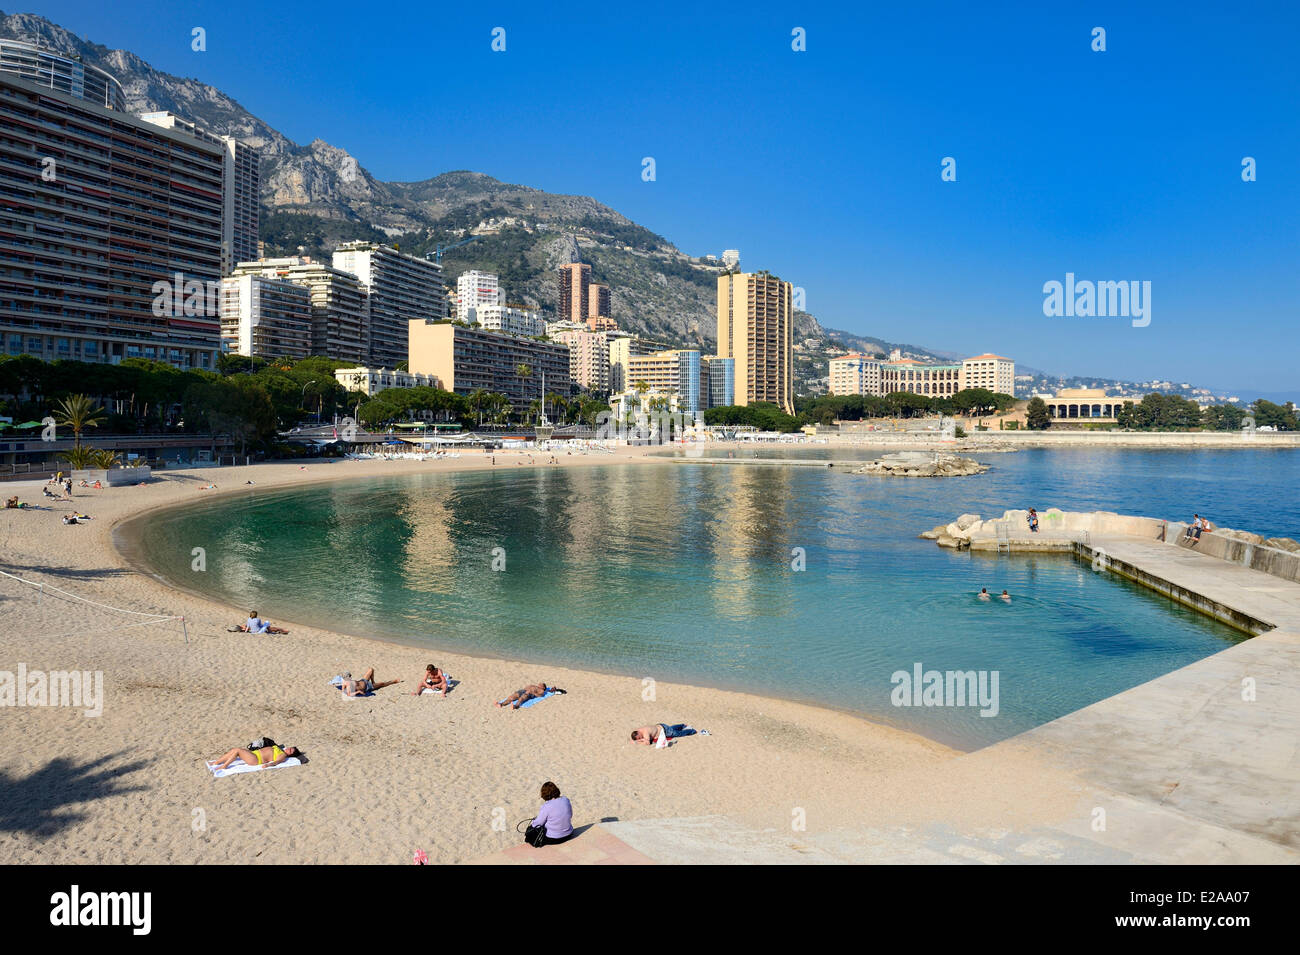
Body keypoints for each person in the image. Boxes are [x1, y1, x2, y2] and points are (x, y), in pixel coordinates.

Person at [525, 781, 574, 847]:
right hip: (569, 834)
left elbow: (538, 823)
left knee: (529, 833)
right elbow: (570, 815)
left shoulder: (546, 806)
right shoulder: (566, 799)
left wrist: (533, 822)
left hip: (554, 838)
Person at [209, 741, 299, 771]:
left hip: (256, 759)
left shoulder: (282, 755)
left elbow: (276, 762)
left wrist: (268, 765)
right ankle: (217, 762)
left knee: (237, 751)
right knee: (234, 750)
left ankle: (224, 766)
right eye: (290, 748)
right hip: (254, 754)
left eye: (290, 750)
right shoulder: (280, 749)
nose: (288, 749)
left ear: (291, 754)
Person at [630, 723, 705, 748]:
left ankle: (692, 731)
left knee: (677, 734)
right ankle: (682, 725)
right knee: (672, 729)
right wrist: (640, 739)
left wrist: (638, 742)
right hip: (661, 726)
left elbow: (648, 743)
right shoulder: (640, 729)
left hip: (664, 730)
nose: (641, 737)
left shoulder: (645, 732)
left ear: (638, 733)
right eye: (639, 738)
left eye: (640, 737)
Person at [497, 683, 561, 709]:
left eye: (542, 684)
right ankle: (501, 704)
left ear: (543, 687)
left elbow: (540, 696)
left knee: (521, 698)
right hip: (522, 691)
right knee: (511, 697)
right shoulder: (534, 686)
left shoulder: (542, 690)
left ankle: (515, 706)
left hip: (529, 694)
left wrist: (532, 692)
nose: (540, 683)